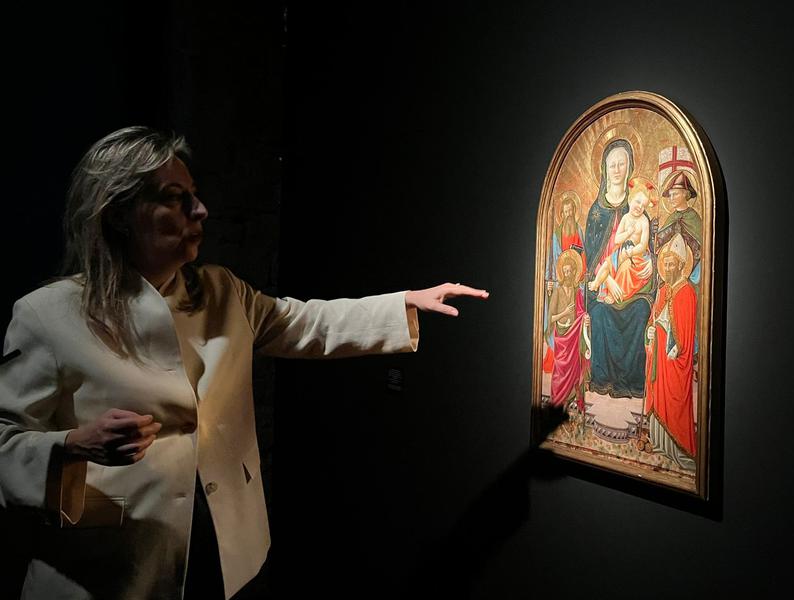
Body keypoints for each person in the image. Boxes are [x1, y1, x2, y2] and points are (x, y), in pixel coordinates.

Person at [0, 126, 489, 600]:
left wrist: (406, 301)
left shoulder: (220, 291)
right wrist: (73, 445)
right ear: (120, 213)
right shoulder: (47, 315)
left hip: (221, 545)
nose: (201, 210)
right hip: (114, 561)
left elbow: (304, 323)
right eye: (176, 198)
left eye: (195, 194)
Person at [583, 139, 654, 398]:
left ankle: (631, 384)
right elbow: (591, 258)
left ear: (629, 167)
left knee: (639, 311)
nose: (616, 169)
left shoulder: (637, 207)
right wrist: (606, 281)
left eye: (621, 164)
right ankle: (602, 380)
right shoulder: (596, 211)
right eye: (611, 164)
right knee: (600, 312)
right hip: (605, 283)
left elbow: (648, 250)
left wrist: (649, 267)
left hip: (634, 284)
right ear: (604, 168)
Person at [643, 234, 697, 470]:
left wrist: (665, 335)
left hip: (674, 360)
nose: (667, 267)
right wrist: (650, 333)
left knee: (674, 401)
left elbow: (684, 336)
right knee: (658, 394)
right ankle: (659, 444)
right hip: (659, 360)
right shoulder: (663, 290)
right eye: (664, 263)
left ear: (681, 266)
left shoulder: (687, 292)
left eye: (672, 263)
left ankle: (679, 451)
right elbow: (653, 320)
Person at [587, 179, 653, 304]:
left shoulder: (644, 221)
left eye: (643, 205)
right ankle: (596, 283)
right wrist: (627, 233)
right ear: (630, 199)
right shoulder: (625, 218)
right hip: (621, 251)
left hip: (637, 257)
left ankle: (615, 295)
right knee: (607, 264)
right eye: (638, 202)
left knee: (625, 268)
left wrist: (631, 252)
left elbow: (644, 245)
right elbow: (617, 239)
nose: (640, 207)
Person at [546, 251, 589, 411]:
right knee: (560, 368)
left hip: (574, 336)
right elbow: (550, 319)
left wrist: (585, 318)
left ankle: (573, 398)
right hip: (562, 337)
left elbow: (580, 311)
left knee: (575, 368)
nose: (568, 274)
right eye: (565, 271)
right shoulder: (557, 291)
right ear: (562, 273)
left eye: (570, 271)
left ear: (574, 272)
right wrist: (564, 313)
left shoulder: (577, 291)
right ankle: (558, 399)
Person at [654, 170, 702, 287]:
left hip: (692, 268)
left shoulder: (693, 218)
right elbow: (658, 243)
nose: (671, 198)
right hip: (670, 269)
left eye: (675, 194)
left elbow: (701, 244)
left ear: (685, 194)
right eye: (670, 195)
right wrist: (653, 232)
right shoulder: (672, 217)